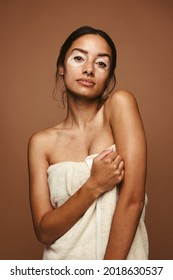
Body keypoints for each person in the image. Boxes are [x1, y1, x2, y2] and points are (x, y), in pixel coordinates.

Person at [28, 26, 148, 260]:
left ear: (109, 77)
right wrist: (94, 185)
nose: (89, 69)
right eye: (78, 58)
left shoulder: (120, 106)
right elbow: (44, 231)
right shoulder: (41, 143)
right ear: (61, 67)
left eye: (101, 63)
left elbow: (133, 201)